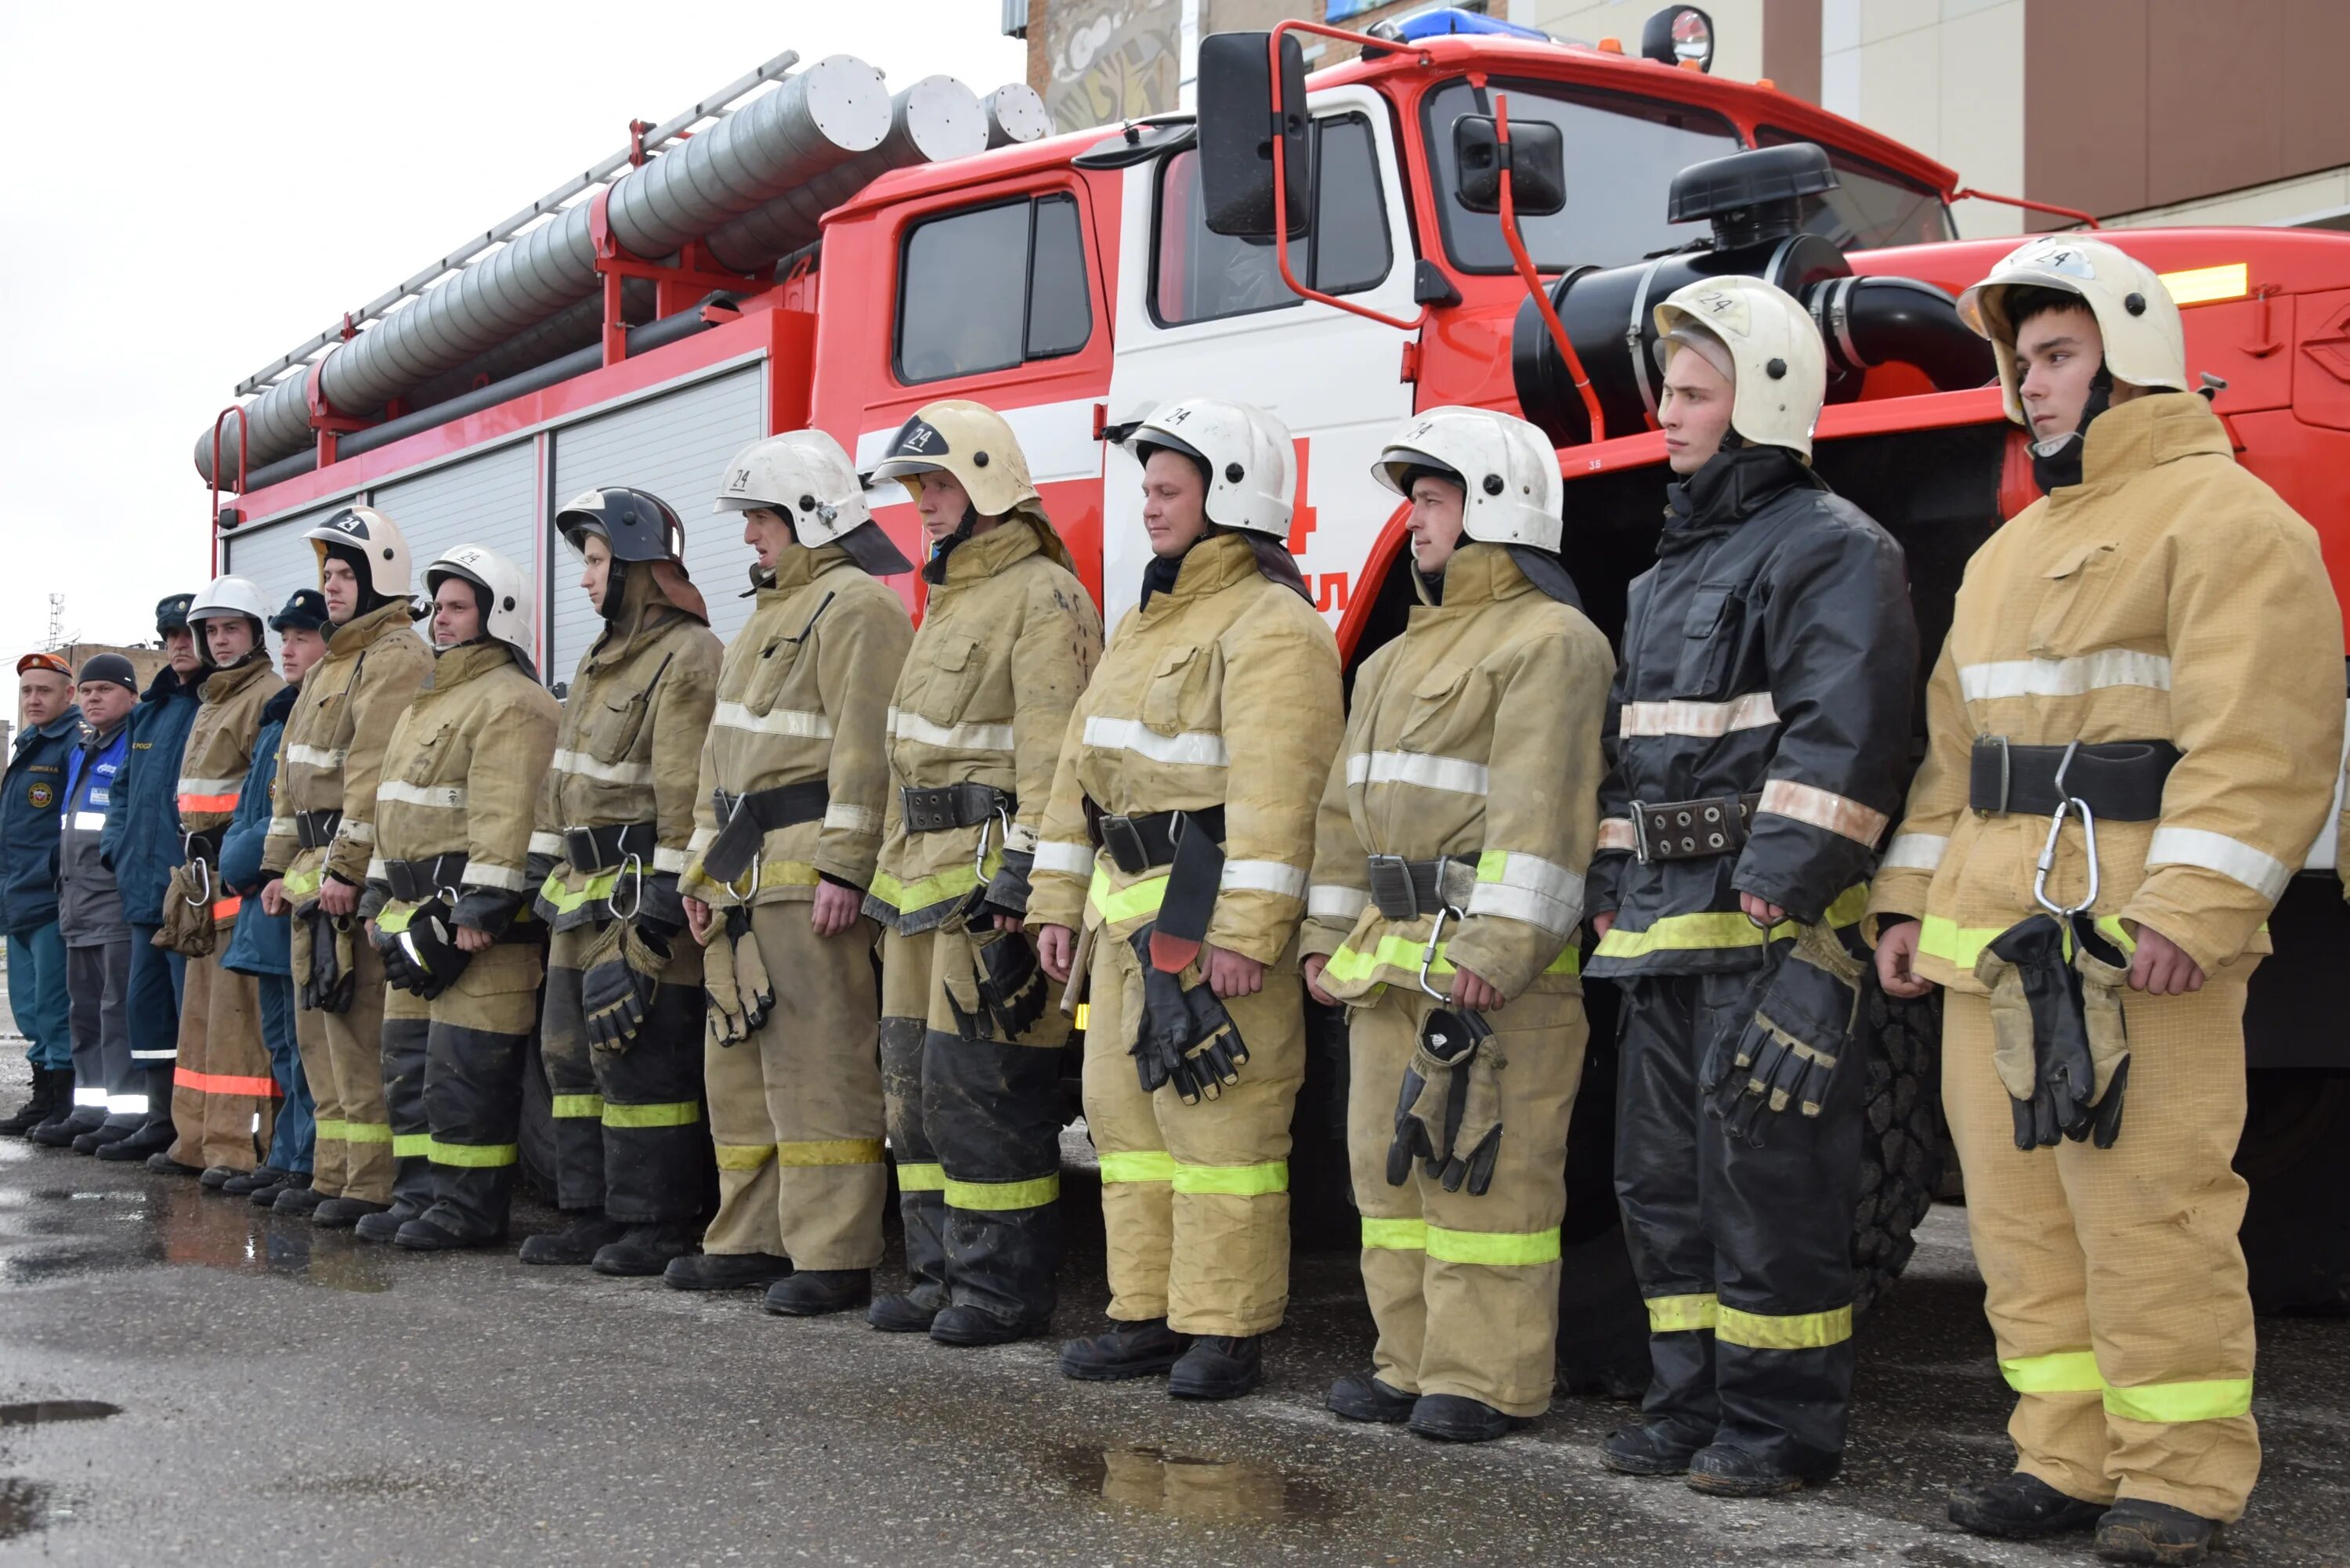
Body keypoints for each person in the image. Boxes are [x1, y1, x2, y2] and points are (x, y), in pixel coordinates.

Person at [1868, 237, 2344, 1564]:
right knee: (2021, 1224)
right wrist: (1907, 899)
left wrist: (2193, 910)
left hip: (2132, 944)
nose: (2034, 386)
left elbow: (2264, 743)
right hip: (1991, 943)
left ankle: (2179, 1479)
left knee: (2151, 1214)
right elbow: (1953, 752)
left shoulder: (2236, 521)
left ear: (2132, 358)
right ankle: (2065, 1457)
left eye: (2060, 357)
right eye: (2024, 364)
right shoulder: (2010, 550)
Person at [1585, 276, 1917, 1496]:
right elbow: (1637, 754)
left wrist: (1781, 891)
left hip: (1763, 932)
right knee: (1663, 1188)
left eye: (1691, 394)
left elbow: (1847, 741)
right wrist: (1611, 889)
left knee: (1768, 1192)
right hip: (1668, 931)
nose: (1663, 415)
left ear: (1763, 400)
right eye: (1666, 391)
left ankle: (1780, 1430)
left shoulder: (1835, 548)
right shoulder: (1667, 572)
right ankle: (1691, 1403)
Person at [1298, 406, 1614, 1441]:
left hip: (1486, 981)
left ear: (1495, 507)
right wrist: (1321, 935)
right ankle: (1410, 1361)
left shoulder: (1555, 644)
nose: (1416, 522)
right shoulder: (1389, 660)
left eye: (1432, 501)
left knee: (1490, 1180)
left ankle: (1485, 1377)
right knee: (1389, 1182)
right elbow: (1343, 817)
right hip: (1387, 967)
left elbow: (1544, 810)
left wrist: (1497, 949)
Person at [1030, 396, 1344, 1401]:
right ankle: (1146, 1313)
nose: (1150, 508)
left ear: (1232, 494)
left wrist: (1247, 933)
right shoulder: (1142, 623)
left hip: (1208, 933)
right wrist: (1052, 901)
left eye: (1169, 490)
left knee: (1223, 1135)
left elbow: (1280, 798)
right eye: (1147, 489)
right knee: (1124, 1124)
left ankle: (1223, 1327)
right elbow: (1077, 775)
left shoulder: (1275, 627)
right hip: (1123, 926)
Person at [860, 400, 1104, 1343]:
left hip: (984, 894)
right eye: (917, 486)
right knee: (914, 1095)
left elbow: (1057, 756)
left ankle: (1000, 1291)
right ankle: (938, 1274)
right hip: (918, 886)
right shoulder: (953, 595)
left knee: (985, 1093)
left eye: (938, 484)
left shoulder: (1044, 596)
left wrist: (1029, 881)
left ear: (989, 484)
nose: (922, 503)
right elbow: (907, 758)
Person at [669, 429, 912, 1312]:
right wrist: (702, 872)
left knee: (821, 1066)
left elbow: (866, 753)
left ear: (811, 514)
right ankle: (751, 1237)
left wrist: (847, 868)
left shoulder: (859, 609)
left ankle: (833, 1251)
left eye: (761, 519)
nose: (749, 538)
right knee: (738, 1073)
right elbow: (717, 762)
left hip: (807, 875)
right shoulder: (770, 613)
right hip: (744, 877)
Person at [522, 488, 721, 1276]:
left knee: (642, 1060)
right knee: (572, 1060)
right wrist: (540, 877)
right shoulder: (599, 659)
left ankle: (657, 1219)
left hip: (639, 898)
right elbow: (562, 781)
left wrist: (660, 917)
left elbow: (685, 799)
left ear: (639, 563)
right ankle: (592, 1209)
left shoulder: (691, 655)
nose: (585, 579)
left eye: (597, 561)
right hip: (580, 897)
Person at [360, 544, 559, 1249]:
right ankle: (421, 1197)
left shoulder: (515, 703)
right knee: (410, 1067)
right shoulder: (432, 700)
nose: (439, 620)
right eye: (437, 607)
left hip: (476, 932)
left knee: (466, 1077)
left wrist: (480, 912)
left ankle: (468, 1211)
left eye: (455, 607)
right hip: (414, 919)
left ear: (497, 614)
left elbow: (508, 814)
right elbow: (397, 808)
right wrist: (377, 892)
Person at [258, 506, 433, 1227]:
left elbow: (370, 775)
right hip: (308, 870)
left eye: (343, 575)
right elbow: (286, 776)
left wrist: (349, 871)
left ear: (376, 576)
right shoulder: (334, 662)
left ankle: (369, 1184)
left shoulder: (395, 657)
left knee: (358, 1040)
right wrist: (275, 865)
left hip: (342, 877)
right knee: (320, 1040)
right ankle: (334, 1174)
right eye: (327, 574)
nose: (330, 588)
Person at [157, 576, 287, 1183]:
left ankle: (235, 1148)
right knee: (200, 1021)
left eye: (232, 628)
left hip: (232, 876)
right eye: (212, 630)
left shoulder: (265, 695)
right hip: (200, 879)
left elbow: (264, 794)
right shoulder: (214, 697)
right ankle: (195, 1139)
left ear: (256, 632)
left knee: (238, 1024)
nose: (220, 639)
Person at [215, 591, 331, 1205]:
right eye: (284, 637)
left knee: (310, 1046)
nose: (289, 648)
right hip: (264, 905)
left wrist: (244, 855)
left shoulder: (317, 715)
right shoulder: (277, 717)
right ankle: (287, 1154)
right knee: (283, 1043)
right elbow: (248, 810)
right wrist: (240, 855)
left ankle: (307, 1159)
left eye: (303, 638)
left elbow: (295, 817)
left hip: (290, 899)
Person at [92, 594, 204, 1165]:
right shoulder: (150, 712)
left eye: (188, 634)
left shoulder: (214, 702)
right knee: (149, 1011)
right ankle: (161, 1121)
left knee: (193, 1015)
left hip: (191, 894)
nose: (179, 645)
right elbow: (120, 790)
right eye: (170, 637)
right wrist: (115, 846)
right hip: (142, 894)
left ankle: (194, 1129)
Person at [38, 654, 139, 1151]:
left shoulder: (134, 744)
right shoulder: (83, 748)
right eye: (87, 690)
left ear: (131, 696)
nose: (93, 698)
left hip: (114, 904)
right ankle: (90, 1106)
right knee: (84, 1013)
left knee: (116, 1010)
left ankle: (125, 1113)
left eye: (105, 689)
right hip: (76, 904)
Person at [0, 652, 82, 1136]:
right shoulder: (29, 743)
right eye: (27, 691)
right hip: (19, 899)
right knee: (29, 1009)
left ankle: (62, 1102)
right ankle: (42, 1097)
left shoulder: (72, 743)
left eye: (44, 691)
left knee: (54, 1008)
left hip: (51, 898)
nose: (33, 699)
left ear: (66, 696)